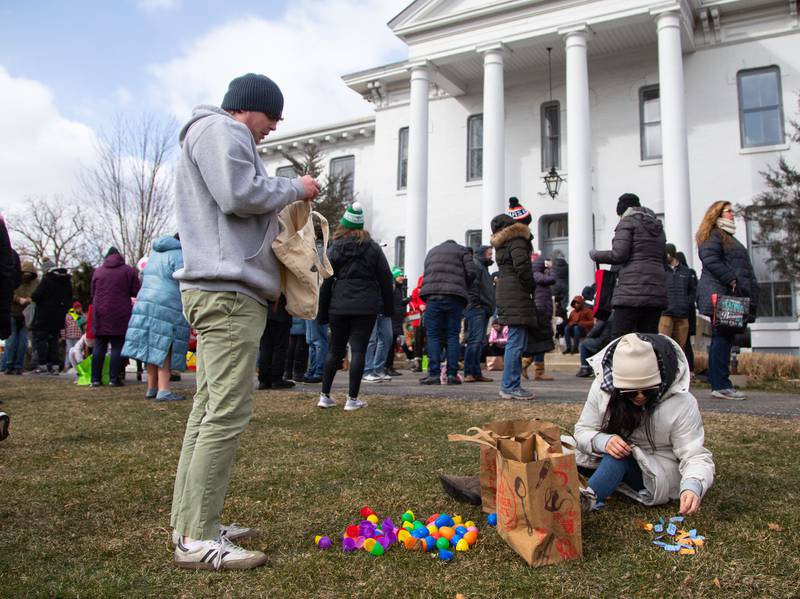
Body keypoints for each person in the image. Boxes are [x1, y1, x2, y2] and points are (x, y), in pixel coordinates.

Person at [170, 73, 320, 571]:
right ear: (249, 108)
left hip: (216, 289)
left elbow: (236, 199)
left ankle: (191, 520)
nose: (273, 127)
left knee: (207, 409)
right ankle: (197, 536)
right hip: (228, 291)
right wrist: (294, 187)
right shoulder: (224, 131)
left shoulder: (208, 134)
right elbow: (239, 193)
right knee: (226, 412)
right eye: (272, 116)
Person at [574, 333, 715, 514]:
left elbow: (695, 454)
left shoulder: (682, 402)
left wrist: (692, 485)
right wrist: (603, 441)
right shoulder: (602, 388)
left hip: (657, 471)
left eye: (649, 391)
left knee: (618, 458)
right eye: (631, 393)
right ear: (617, 388)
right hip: (603, 457)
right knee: (563, 451)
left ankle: (580, 504)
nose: (640, 397)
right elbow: (582, 431)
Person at [317, 202, 393, 410]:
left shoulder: (334, 248)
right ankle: (352, 400)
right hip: (365, 306)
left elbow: (326, 281)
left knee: (335, 351)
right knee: (358, 350)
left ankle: (325, 396)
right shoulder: (373, 248)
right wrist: (388, 309)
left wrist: (322, 312)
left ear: (344, 224)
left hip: (338, 305)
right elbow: (386, 280)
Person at [696, 201, 758, 400]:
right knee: (721, 337)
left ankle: (720, 383)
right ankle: (721, 385)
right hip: (719, 293)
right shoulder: (715, 235)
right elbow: (710, 259)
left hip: (729, 294)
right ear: (717, 214)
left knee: (724, 338)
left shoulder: (728, 236)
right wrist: (731, 279)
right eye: (728, 211)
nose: (733, 214)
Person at [122, 234, 190, 401]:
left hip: (146, 302)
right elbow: (185, 281)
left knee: (152, 344)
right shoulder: (180, 255)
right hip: (167, 304)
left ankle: (152, 387)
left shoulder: (155, 253)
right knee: (165, 345)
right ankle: (164, 389)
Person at [590, 193, 667, 337]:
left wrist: (595, 255)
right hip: (656, 292)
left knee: (620, 338)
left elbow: (619, 254)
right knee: (648, 339)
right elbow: (662, 260)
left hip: (631, 292)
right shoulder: (658, 227)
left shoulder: (627, 222)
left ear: (621, 211)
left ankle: (619, 361)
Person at [490, 198, 539, 400]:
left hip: (506, 292)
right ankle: (510, 386)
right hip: (517, 293)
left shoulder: (502, 244)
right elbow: (523, 267)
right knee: (516, 343)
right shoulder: (517, 240)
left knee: (514, 341)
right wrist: (530, 287)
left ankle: (510, 385)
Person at [418, 238, 476, 385]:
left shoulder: (432, 252)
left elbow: (426, 273)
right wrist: (462, 287)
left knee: (433, 336)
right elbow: (472, 272)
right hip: (454, 298)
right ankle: (451, 374)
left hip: (433, 297)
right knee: (452, 336)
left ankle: (433, 374)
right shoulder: (462, 251)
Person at [90, 248, 140, 386]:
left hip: (100, 312)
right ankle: (114, 378)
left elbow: (92, 292)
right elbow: (136, 291)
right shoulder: (128, 271)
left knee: (99, 345)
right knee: (118, 345)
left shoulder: (98, 271)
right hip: (120, 312)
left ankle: (95, 379)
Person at [30, 259, 73, 374]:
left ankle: (42, 364)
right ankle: (55, 365)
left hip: (44, 315)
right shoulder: (66, 280)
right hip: (58, 316)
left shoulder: (47, 279)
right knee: (54, 341)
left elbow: (36, 296)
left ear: (46, 269)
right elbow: (70, 299)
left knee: (41, 340)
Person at [463, 245, 494, 383]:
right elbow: (473, 288)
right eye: (489, 254)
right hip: (477, 308)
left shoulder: (482, 267)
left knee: (479, 342)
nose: (491, 256)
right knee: (474, 341)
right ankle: (469, 372)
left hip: (483, 308)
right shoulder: (477, 266)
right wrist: (478, 304)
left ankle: (476, 372)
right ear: (482, 254)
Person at [659, 243, 696, 349]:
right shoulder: (661, 270)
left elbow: (693, 291)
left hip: (682, 314)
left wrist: (686, 302)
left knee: (680, 349)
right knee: (663, 346)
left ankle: (678, 366)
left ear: (670, 254)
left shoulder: (686, 271)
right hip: (665, 314)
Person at [525, 253, 555, 381]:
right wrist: (552, 268)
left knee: (539, 341)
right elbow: (552, 279)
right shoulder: (537, 275)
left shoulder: (536, 274)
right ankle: (538, 371)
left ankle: (526, 364)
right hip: (541, 310)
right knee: (542, 341)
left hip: (541, 310)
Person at [5, 260, 38, 375]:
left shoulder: (35, 283)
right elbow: (7, 292)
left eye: (29, 274)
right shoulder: (14, 280)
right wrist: (18, 299)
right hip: (13, 312)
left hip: (26, 316)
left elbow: (37, 295)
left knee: (23, 342)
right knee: (11, 340)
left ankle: (19, 366)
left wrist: (30, 299)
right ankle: (9, 365)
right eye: (25, 274)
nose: (27, 276)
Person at [257, 295, 293, 390]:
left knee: (265, 348)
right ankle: (276, 379)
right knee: (279, 349)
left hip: (265, 314)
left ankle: (264, 380)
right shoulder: (284, 281)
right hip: (280, 314)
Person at [384, 267, 409, 377]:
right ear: (395, 276)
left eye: (402, 275)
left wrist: (406, 301)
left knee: (393, 344)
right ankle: (387, 367)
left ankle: (390, 366)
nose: (402, 278)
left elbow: (397, 304)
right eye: (399, 275)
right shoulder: (393, 287)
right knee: (390, 344)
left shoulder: (399, 288)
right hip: (392, 319)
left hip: (396, 320)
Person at [284, 316, 308, 382]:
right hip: (303, 318)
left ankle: (287, 372)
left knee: (291, 346)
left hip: (292, 318)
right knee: (301, 346)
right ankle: (298, 372)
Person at [63, 302, 84, 373]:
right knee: (68, 351)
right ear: (75, 308)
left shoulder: (79, 316)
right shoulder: (68, 315)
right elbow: (64, 326)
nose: (80, 309)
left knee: (77, 351)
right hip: (69, 336)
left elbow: (82, 324)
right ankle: (66, 366)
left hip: (78, 336)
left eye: (80, 307)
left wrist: (81, 314)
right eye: (78, 308)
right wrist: (63, 336)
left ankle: (76, 366)